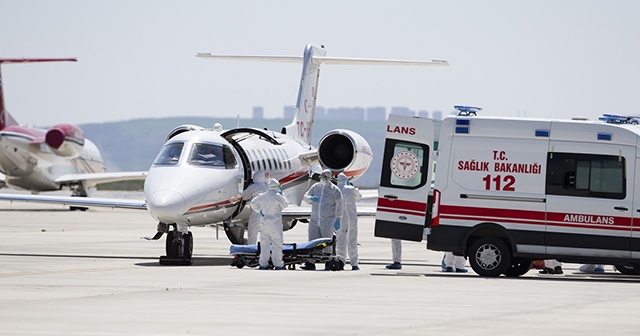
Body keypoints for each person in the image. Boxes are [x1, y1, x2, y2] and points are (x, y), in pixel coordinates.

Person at [302, 169, 343, 270]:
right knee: (312, 241)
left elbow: (339, 204)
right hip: (315, 219)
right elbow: (305, 196)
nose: (322, 179)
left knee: (327, 242)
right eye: (321, 176)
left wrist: (338, 218)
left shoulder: (334, 190)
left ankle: (328, 262)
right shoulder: (316, 187)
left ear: (329, 178)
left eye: (324, 177)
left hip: (328, 220)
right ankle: (310, 263)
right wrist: (310, 199)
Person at [250, 178, 288, 270]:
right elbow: (285, 205)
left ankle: (263, 264)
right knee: (277, 244)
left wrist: (259, 211)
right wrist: (282, 195)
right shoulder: (277, 196)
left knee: (264, 244)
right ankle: (278, 264)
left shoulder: (262, 196)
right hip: (275, 223)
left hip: (264, 222)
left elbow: (252, 203)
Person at [335, 173, 362, 271]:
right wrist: (353, 188)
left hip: (340, 217)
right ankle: (354, 263)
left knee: (341, 240)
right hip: (351, 217)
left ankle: (341, 260)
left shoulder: (336, 189)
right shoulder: (350, 189)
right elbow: (359, 196)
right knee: (352, 240)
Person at [242, 171, 269, 245]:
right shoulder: (267, 186)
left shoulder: (254, 186)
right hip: (268, 213)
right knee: (266, 234)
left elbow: (244, 196)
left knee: (253, 232)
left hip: (256, 213)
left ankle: (252, 248)